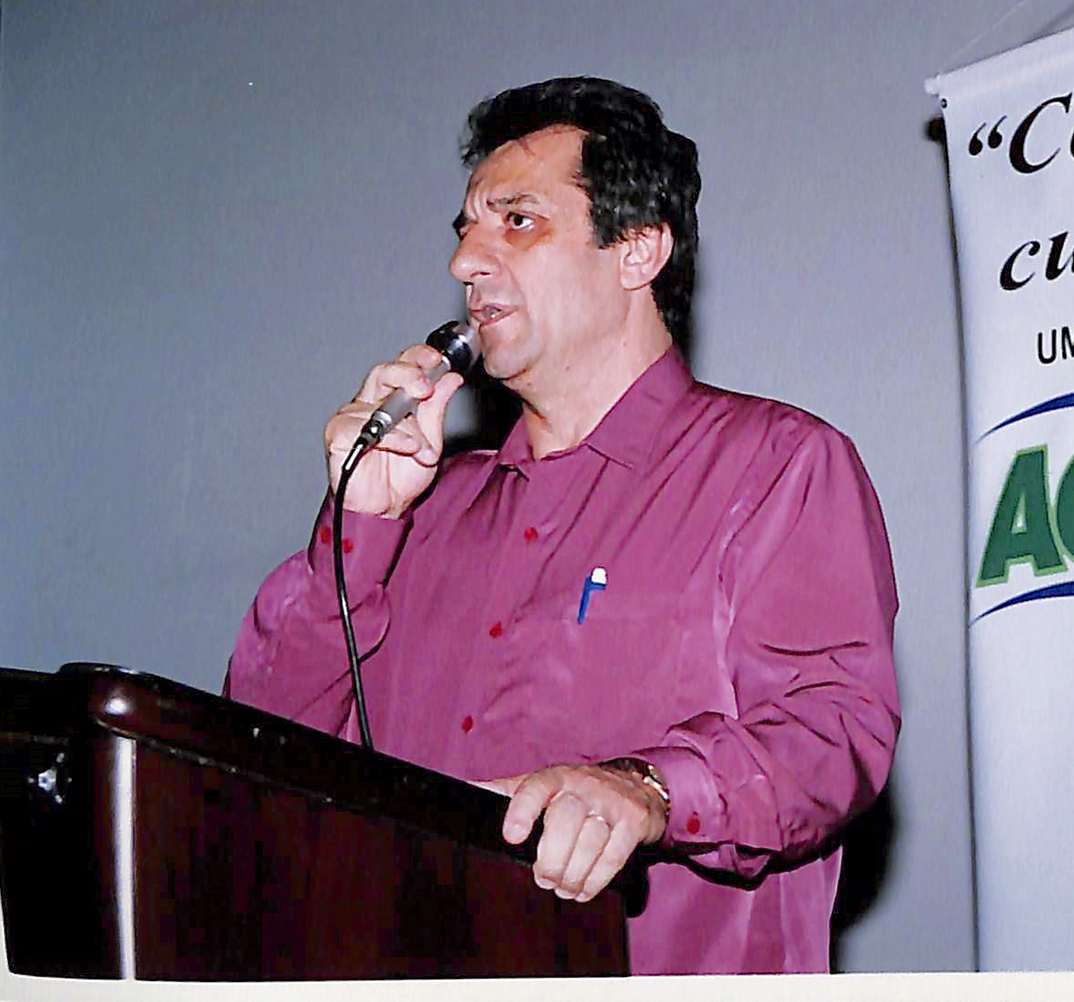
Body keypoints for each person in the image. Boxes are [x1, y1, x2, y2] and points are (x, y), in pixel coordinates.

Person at [225, 76, 900, 975]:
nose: (466, 261)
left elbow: (834, 733)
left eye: (517, 221)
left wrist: (648, 789)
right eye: (465, 229)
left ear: (638, 250)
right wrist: (358, 526)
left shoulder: (776, 466)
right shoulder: (423, 510)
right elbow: (259, 756)